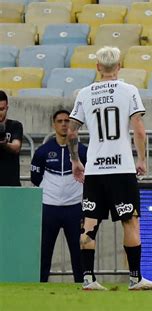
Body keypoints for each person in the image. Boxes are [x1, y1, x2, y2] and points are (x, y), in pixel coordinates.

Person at [67, 46, 152, 291]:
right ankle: (135, 278)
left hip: (95, 170)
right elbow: (138, 127)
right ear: (119, 66)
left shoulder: (84, 93)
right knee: (130, 221)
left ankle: (88, 278)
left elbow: (72, 130)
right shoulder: (129, 90)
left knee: (89, 223)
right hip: (121, 167)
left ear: (98, 67)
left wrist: (76, 161)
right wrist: (141, 158)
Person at [31, 110, 87, 283]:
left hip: (74, 208)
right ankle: (40, 286)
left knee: (78, 253)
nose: (64, 124)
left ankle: (82, 284)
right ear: (54, 124)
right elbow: (35, 178)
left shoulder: (84, 151)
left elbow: (90, 179)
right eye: (60, 121)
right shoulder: (42, 152)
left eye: (67, 121)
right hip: (49, 208)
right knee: (45, 251)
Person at [0, 90, 23, 186]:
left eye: (2, 109)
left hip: (11, 184)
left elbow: (16, 147)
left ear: (7, 108)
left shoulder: (15, 125)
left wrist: (4, 144)